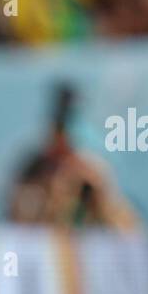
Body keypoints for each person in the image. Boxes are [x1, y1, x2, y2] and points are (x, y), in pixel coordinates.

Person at [8, 83, 137, 230]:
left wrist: (94, 193)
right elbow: (18, 222)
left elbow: (124, 226)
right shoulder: (33, 170)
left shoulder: (92, 170)